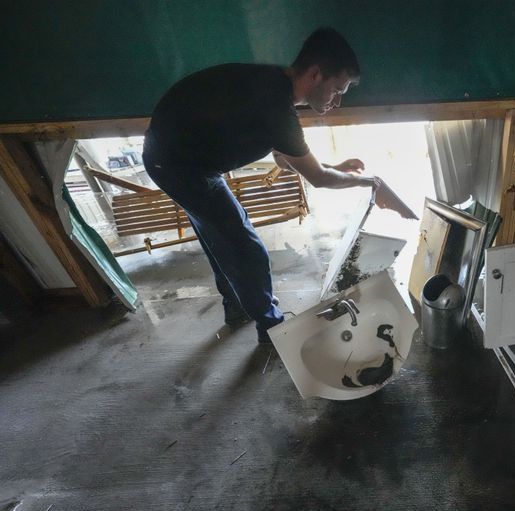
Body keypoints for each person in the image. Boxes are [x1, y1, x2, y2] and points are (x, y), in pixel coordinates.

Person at [142, 27, 404, 345]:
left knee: (218, 233)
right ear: (315, 73)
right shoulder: (277, 107)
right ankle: (271, 329)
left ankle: (236, 307)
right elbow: (318, 179)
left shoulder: (272, 89)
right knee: (246, 246)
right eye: (337, 90)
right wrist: (367, 181)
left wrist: (336, 168)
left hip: (175, 154)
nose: (336, 102)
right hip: (178, 164)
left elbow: (284, 158)